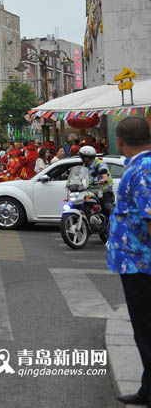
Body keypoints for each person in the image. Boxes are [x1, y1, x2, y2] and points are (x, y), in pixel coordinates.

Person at [106, 117, 151, 407]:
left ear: (120, 142)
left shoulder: (144, 170)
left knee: (147, 332)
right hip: (135, 264)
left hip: (142, 266)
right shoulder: (139, 167)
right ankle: (147, 388)